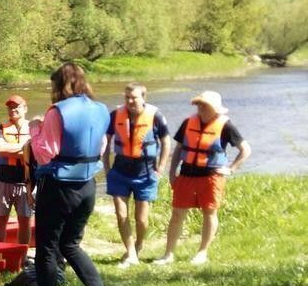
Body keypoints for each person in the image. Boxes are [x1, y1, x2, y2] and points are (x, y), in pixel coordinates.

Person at [30, 63, 116, 286]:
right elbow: (101, 146)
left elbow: (45, 154)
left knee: (46, 248)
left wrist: (35, 128)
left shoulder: (57, 112)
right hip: (88, 186)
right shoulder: (101, 109)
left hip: (58, 187)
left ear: (60, 85)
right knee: (71, 244)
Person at [155, 91, 252, 266]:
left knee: (209, 212)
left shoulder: (226, 126)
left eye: (204, 105)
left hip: (211, 176)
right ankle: (168, 254)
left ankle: (202, 252)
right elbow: (178, 149)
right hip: (186, 174)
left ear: (215, 109)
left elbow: (245, 149)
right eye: (198, 104)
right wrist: (172, 173)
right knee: (177, 213)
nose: (200, 108)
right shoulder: (188, 122)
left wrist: (231, 169)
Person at [103, 83, 171, 267]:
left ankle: (138, 244)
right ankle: (131, 253)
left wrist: (161, 168)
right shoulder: (115, 115)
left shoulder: (155, 116)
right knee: (121, 213)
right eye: (127, 97)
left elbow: (166, 142)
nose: (130, 101)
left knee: (141, 218)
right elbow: (106, 141)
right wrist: (106, 167)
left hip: (146, 172)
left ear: (143, 98)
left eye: (134, 97)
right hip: (120, 170)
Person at [0, 94, 33, 245]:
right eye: (10, 107)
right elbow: (0, 148)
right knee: (0, 219)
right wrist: (24, 150)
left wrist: (19, 151)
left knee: (25, 220)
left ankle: (22, 256)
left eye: (16, 107)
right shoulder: (0, 128)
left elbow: (36, 152)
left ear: (25, 109)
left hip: (26, 181)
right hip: (3, 180)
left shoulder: (33, 128)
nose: (12, 110)